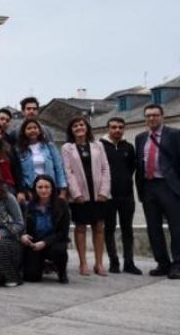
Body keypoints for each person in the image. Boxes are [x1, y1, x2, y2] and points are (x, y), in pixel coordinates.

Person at [135, 104, 180, 280]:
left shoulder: (175, 134)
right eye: (148, 116)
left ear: (162, 116)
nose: (151, 118)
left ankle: (179, 265)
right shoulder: (140, 138)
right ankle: (162, 263)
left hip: (168, 186)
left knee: (176, 228)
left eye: (155, 115)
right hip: (148, 187)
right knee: (153, 229)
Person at [62, 116, 111, 276]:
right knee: (81, 228)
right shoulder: (67, 148)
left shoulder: (98, 146)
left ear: (87, 127)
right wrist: (76, 193)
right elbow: (68, 172)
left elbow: (105, 168)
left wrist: (104, 191)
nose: (79, 128)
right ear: (71, 130)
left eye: (81, 124)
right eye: (75, 125)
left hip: (98, 194)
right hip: (80, 195)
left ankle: (99, 263)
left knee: (98, 227)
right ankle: (83, 264)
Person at [101, 117, 141, 275]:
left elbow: (131, 168)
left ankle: (129, 262)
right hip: (108, 196)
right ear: (108, 129)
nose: (117, 130)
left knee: (127, 230)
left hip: (126, 195)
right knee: (109, 229)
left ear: (124, 129)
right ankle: (114, 262)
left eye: (120, 127)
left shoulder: (129, 147)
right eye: (114, 127)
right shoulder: (100, 146)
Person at [21, 175, 71, 283]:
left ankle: (61, 270)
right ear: (35, 189)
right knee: (31, 277)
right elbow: (22, 226)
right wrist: (23, 236)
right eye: (40, 187)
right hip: (34, 243)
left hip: (53, 242)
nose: (43, 190)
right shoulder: (28, 206)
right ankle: (44, 265)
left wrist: (44, 242)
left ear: (52, 188)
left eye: (47, 187)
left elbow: (63, 232)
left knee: (59, 250)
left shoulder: (62, 205)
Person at [17, 118, 67, 197]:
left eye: (35, 128)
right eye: (29, 128)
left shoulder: (49, 146)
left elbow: (58, 167)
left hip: (50, 188)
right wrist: (25, 191)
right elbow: (20, 173)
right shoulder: (20, 150)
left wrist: (63, 190)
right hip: (31, 190)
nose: (32, 130)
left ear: (40, 130)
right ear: (24, 132)